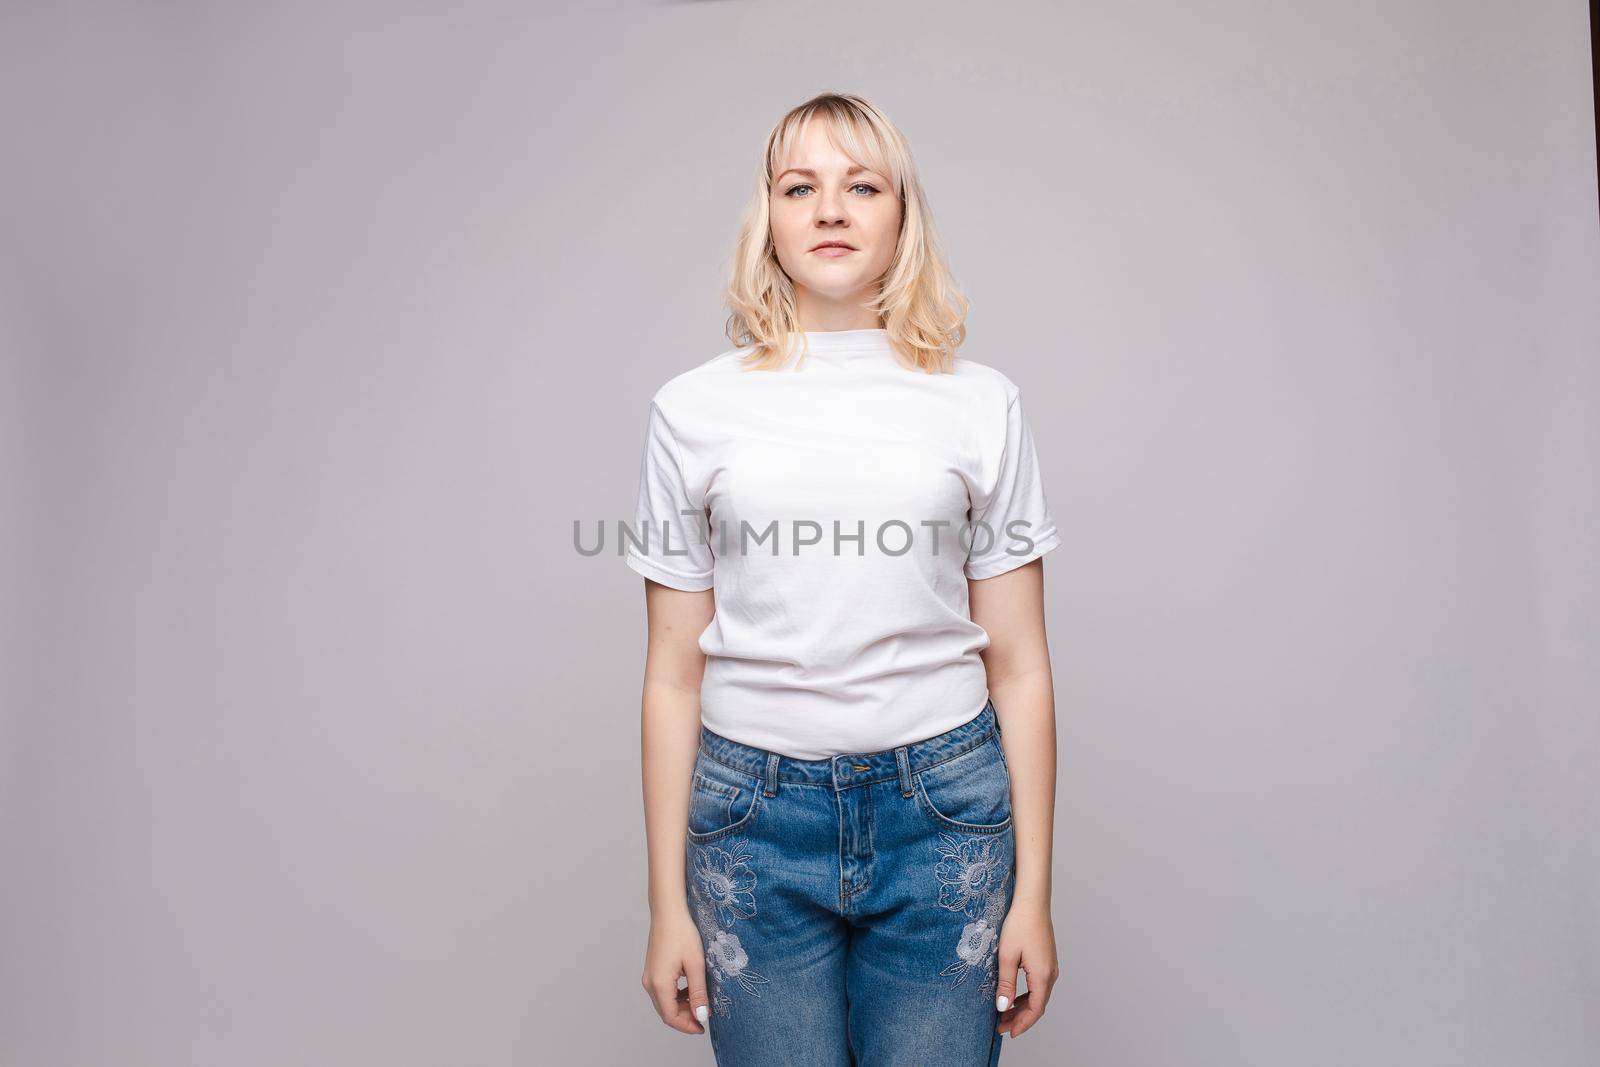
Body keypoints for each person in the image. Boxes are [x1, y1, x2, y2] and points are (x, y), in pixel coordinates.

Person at [626, 92, 1062, 1066]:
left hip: (942, 809)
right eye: (800, 186)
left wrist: (1032, 891)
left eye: (861, 185)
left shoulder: (979, 403)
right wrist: (667, 904)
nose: (830, 209)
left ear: (901, 216)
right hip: (750, 821)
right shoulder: (692, 408)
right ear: (767, 218)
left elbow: (1021, 665)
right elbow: (669, 676)